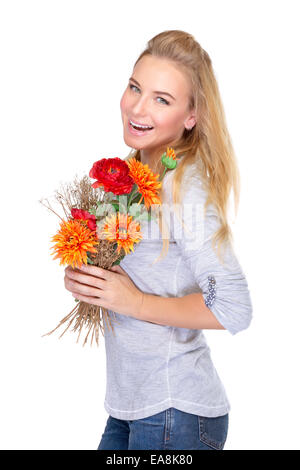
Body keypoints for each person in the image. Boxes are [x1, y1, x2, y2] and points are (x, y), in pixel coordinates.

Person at [64, 30, 253, 450]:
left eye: (161, 99)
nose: (137, 106)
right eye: (135, 87)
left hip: (175, 410)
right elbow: (135, 276)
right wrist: (88, 278)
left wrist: (135, 303)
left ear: (191, 116)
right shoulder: (138, 176)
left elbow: (235, 308)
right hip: (131, 407)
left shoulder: (185, 189)